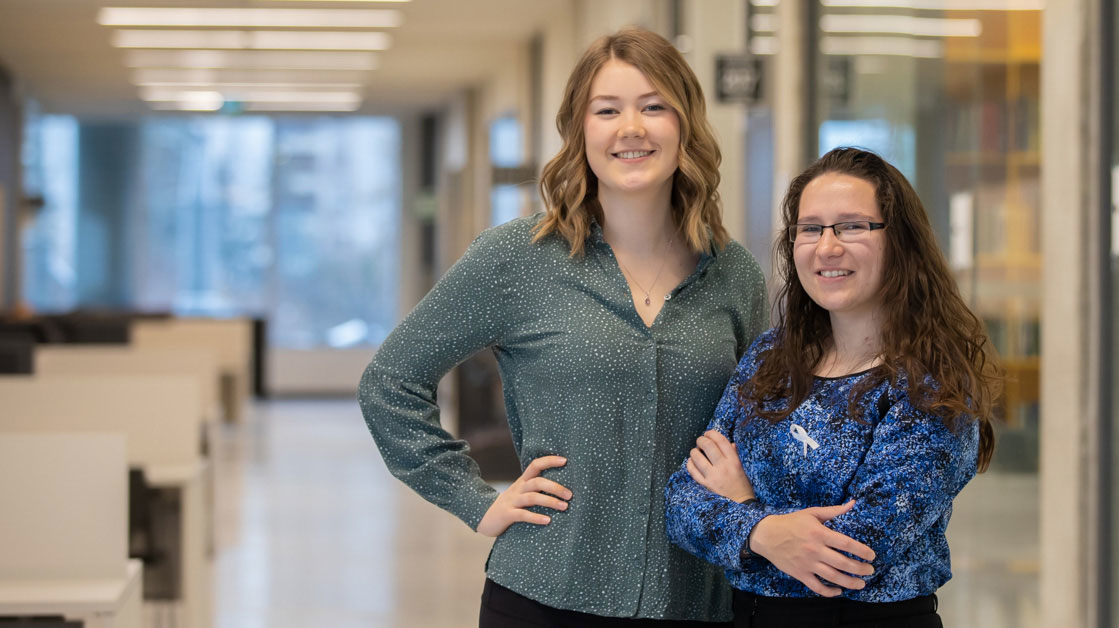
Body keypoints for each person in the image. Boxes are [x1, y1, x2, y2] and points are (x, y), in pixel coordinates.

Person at [358, 27, 768, 627]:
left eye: (654, 106)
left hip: (697, 600)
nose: (632, 128)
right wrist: (476, 502)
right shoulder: (516, 259)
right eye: (607, 110)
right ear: (581, 131)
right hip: (545, 595)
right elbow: (389, 384)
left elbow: (757, 423)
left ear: (686, 126)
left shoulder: (736, 275)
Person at [664, 147, 1003, 628]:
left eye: (852, 226)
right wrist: (768, 532)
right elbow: (682, 502)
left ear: (899, 243)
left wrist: (743, 509)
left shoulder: (930, 388)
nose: (827, 247)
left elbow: (856, 551)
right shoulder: (770, 359)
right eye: (811, 228)